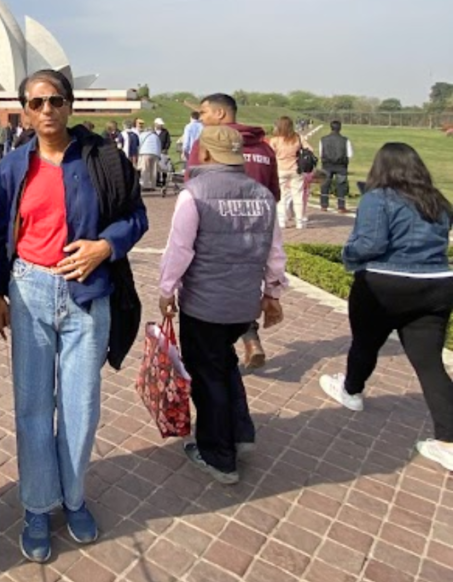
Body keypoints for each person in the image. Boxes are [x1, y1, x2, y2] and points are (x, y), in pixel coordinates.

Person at [0, 69, 148, 563]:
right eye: (36, 103)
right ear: (25, 111)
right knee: (33, 406)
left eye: (56, 100)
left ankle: (74, 497)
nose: (47, 110)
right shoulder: (13, 166)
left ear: (70, 105)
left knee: (80, 406)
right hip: (30, 289)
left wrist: (105, 246)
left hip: (87, 291)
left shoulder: (103, 158)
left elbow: (136, 216)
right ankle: (38, 505)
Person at [159, 126, 288, 484]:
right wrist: (273, 293)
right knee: (226, 363)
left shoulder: (195, 194)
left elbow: (179, 250)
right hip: (243, 304)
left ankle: (218, 455)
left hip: (204, 304)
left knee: (208, 375)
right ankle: (241, 432)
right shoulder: (262, 195)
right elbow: (275, 252)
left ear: (205, 154)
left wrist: (166, 289)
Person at [318, 142, 453, 473]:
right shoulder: (437, 200)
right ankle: (449, 442)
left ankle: (352, 390)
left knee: (365, 343)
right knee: (429, 363)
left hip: (387, 282)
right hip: (437, 284)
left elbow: (371, 243)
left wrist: (348, 256)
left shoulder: (378, 198)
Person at [186, 93, 281, 369]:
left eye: (203, 113)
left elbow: (193, 188)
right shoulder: (264, 149)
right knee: (246, 284)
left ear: (219, 114)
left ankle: (223, 364)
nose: (200, 118)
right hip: (256, 232)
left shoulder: (207, 144)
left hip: (215, 233)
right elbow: (273, 194)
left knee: (213, 302)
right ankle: (249, 338)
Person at [268, 116, 313, 230]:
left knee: (281, 196)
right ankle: (299, 221)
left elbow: (269, 154)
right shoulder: (298, 138)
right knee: (298, 196)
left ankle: (282, 220)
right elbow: (310, 149)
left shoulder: (275, 140)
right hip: (295, 169)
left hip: (280, 169)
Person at [319, 120, 353, 213]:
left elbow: (321, 153)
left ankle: (324, 205)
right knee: (341, 186)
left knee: (325, 185)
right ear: (340, 128)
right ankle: (341, 206)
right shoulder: (345, 140)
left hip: (327, 165)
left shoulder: (323, 139)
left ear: (331, 127)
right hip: (341, 165)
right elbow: (350, 154)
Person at [137, 118, 161, 189]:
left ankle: (145, 185)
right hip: (155, 153)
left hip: (145, 153)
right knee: (153, 170)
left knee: (145, 169)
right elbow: (159, 145)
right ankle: (153, 185)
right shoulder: (156, 136)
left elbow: (139, 144)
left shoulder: (142, 135)